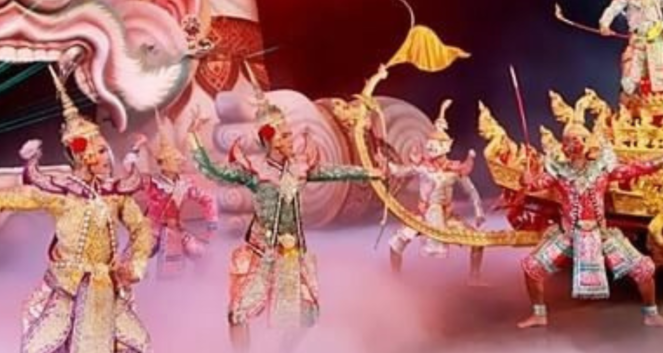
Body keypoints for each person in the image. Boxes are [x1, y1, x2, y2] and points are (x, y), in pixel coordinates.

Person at [190, 99, 386, 351]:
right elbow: (212, 171)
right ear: (271, 140)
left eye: (290, 134)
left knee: (305, 316)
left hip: (290, 257)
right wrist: (193, 137)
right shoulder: (254, 171)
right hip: (262, 255)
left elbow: (335, 172)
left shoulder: (298, 169)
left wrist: (371, 173)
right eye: (285, 135)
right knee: (238, 313)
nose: (291, 138)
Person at [0, 66, 153, 352]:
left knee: (140, 345)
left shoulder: (114, 193)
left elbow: (140, 226)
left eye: (100, 148)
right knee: (38, 348)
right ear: (76, 155)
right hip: (67, 290)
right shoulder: (60, 194)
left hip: (108, 289)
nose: (99, 155)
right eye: (91, 150)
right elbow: (14, 198)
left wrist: (138, 261)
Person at [516, 90, 663, 329]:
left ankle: (651, 313)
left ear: (587, 142)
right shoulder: (559, 172)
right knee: (531, 267)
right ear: (564, 146)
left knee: (644, 268)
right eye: (571, 140)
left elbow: (633, 169)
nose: (576, 143)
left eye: (581, 138)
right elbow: (535, 184)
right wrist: (525, 178)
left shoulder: (602, 169)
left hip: (600, 235)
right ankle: (539, 314)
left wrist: (662, 159)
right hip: (569, 236)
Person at [387, 99, 486, 284]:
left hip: (446, 216)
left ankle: (474, 278)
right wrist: (384, 164)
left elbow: (471, 191)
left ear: (445, 147)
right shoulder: (423, 167)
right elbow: (399, 170)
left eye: (435, 144)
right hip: (423, 216)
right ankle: (395, 279)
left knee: (478, 242)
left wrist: (479, 212)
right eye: (429, 143)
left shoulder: (454, 169)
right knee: (395, 243)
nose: (430, 147)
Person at [124, 112, 218, 278]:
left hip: (175, 230)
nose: (181, 160)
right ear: (164, 164)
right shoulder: (151, 182)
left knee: (202, 254)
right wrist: (136, 147)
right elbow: (129, 171)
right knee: (130, 264)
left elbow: (207, 199)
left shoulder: (185, 184)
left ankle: (197, 289)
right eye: (176, 159)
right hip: (151, 231)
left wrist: (211, 224)